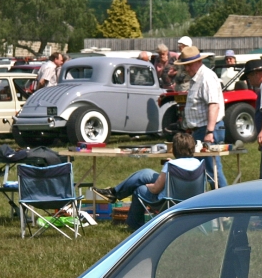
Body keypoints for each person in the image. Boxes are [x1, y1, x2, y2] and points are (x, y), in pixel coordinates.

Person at [94, 132, 201, 232]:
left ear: (174, 149)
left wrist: (148, 186)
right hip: (191, 199)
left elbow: (156, 189)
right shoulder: (198, 164)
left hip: (169, 201)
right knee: (147, 173)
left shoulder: (171, 166)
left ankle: (134, 225)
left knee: (139, 189)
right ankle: (114, 192)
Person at [177, 46, 226, 189]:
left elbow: (214, 105)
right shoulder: (196, 78)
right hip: (201, 130)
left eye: (188, 65)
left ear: (197, 62)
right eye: (185, 65)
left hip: (208, 129)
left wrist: (209, 132)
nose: (186, 68)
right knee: (203, 172)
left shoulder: (206, 77)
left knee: (212, 171)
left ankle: (225, 204)